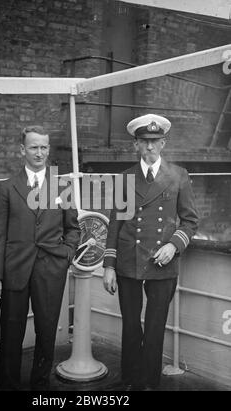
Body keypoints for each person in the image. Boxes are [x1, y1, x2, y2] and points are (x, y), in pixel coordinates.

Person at [103, 114, 199, 391]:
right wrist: (109, 265)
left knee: (155, 329)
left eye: (155, 141)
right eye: (144, 141)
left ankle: (149, 384)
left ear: (163, 143)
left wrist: (173, 245)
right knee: (131, 326)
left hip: (162, 263)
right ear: (136, 144)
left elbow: (191, 220)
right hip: (128, 262)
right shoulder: (124, 178)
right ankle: (131, 380)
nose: (150, 147)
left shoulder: (178, 176)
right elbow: (115, 224)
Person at [0, 125, 80, 391]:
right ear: (22, 150)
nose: (39, 153)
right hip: (15, 270)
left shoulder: (63, 186)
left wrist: (67, 254)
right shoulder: (7, 189)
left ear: (48, 149)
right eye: (33, 147)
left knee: (47, 331)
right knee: (11, 332)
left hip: (51, 269)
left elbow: (73, 228)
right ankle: (9, 385)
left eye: (43, 147)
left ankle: (41, 386)